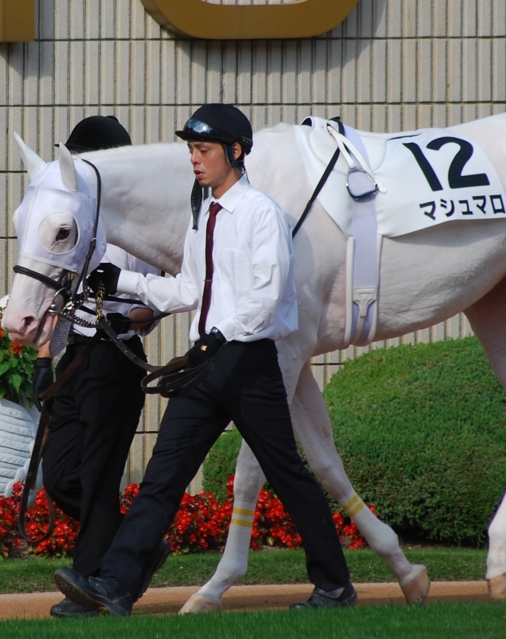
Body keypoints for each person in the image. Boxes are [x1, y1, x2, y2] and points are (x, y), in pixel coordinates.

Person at [54, 104, 357, 615]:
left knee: (287, 474)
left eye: (204, 150)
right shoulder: (203, 214)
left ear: (235, 152)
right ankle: (116, 585)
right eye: (191, 150)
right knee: (162, 479)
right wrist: (121, 281)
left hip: (248, 365)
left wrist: (218, 338)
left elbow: (268, 295)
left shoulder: (262, 213)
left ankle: (334, 585)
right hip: (205, 363)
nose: (194, 160)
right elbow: (189, 288)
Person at [34, 115, 162, 619]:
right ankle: (137, 546)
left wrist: (130, 313)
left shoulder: (140, 230)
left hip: (115, 356)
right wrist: (44, 359)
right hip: (74, 356)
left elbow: (158, 300)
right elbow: (49, 289)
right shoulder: (76, 223)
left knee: (99, 474)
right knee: (61, 473)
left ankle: (89, 588)